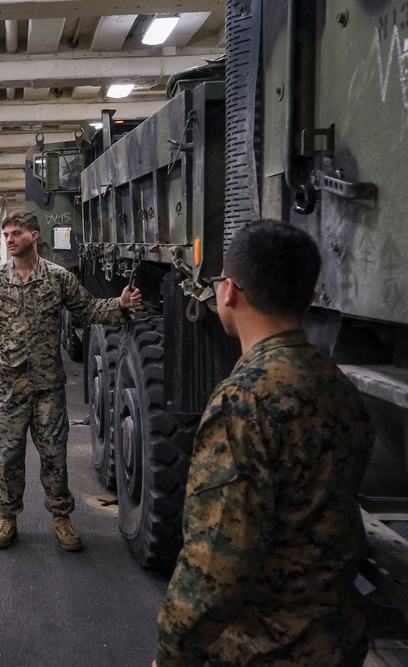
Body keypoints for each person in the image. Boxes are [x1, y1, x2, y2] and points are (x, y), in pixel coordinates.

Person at [154, 221, 374, 666]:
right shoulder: (337, 385)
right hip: (336, 639)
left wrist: (173, 650)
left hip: (263, 649)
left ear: (228, 292)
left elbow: (216, 558)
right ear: (309, 299)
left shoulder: (245, 400)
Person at [0, 211, 140, 551]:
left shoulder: (57, 278)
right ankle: (7, 517)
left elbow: (88, 309)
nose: (10, 239)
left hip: (48, 388)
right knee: (8, 456)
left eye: (16, 233)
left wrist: (121, 304)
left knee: (54, 455)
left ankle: (61, 517)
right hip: (9, 385)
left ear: (34, 235)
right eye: (6, 234)